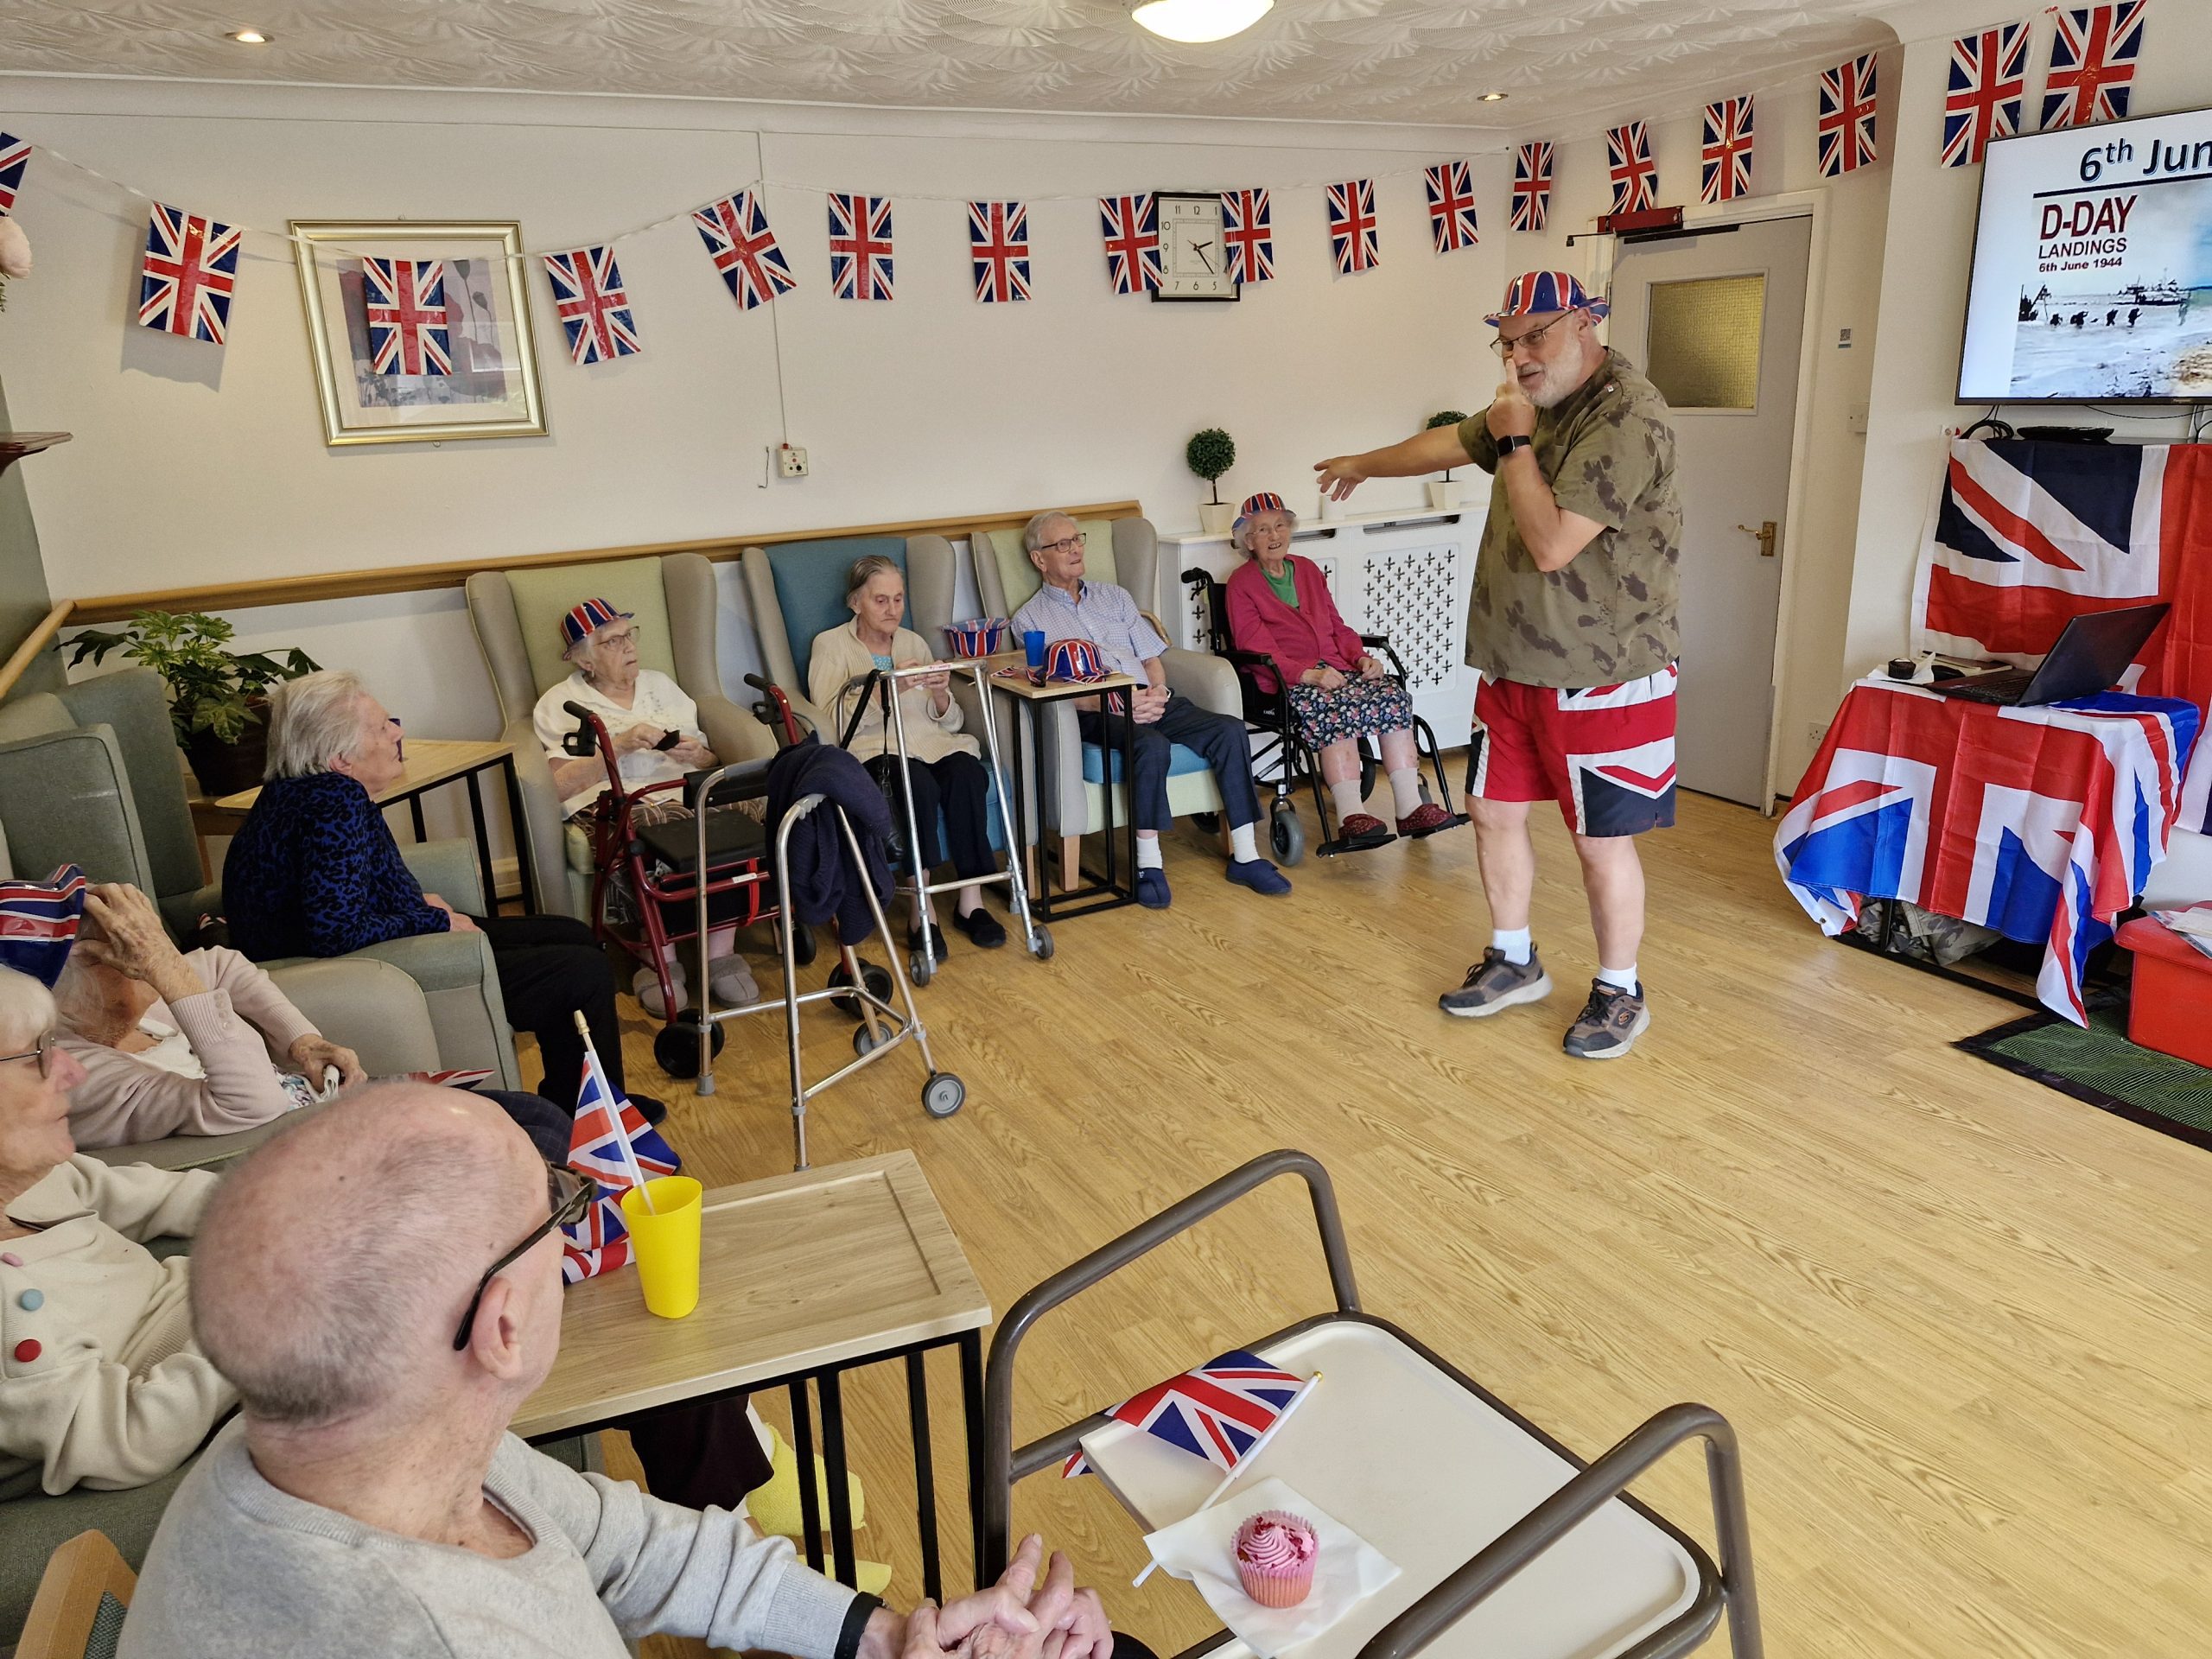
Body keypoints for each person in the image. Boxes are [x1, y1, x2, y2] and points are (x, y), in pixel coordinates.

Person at [122, 1082, 1119, 1659]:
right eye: (558, 1211)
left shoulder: (366, 1445)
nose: (575, 1233)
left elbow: (632, 1546)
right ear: (501, 1328)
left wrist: (885, 1640)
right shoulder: (429, 1635)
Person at [1315, 270, 1682, 1059]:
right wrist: (1364, 462)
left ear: (1584, 324)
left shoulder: (1626, 416)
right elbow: (1455, 440)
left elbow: (1553, 544)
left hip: (1604, 671)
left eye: (1534, 336)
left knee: (1599, 842)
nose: (1518, 355)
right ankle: (1515, 958)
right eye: (1507, 340)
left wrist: (1514, 438)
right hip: (1516, 665)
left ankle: (1622, 990)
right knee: (1492, 812)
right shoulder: (1533, 401)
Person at [221, 670, 664, 1122]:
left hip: (357, 944)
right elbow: (332, 931)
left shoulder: (301, 792)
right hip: (339, 968)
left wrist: (418, 902)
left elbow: (337, 888)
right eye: (381, 727)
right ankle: (598, 1118)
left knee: (570, 933)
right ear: (341, 758)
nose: (398, 731)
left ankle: (583, 1101)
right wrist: (429, 921)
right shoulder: (335, 801)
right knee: (580, 969)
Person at [47, 878, 580, 1163]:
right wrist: (168, 974)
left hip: (327, 1110)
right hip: (294, 1153)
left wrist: (302, 1039)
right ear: (86, 974)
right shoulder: (83, 1073)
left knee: (535, 1114)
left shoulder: (126, 1010)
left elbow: (221, 963)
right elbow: (252, 1105)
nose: (157, 965)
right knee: (527, 1145)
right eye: (135, 956)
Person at [0, 964, 237, 1495]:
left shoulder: (31, 1181)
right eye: (38, 1054)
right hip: (240, 1369)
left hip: (231, 1307)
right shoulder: (9, 1320)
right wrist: (259, 1325)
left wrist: (289, 1209)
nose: (72, 1072)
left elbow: (157, 1196)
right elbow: (129, 1441)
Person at [1010, 511, 1290, 908]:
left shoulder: (1116, 597)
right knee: (1150, 745)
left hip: (1147, 697)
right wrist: (1110, 702)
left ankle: (1245, 855)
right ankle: (1148, 866)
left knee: (1228, 729)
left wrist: (1157, 691)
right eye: (1062, 544)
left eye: (1077, 539)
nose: (1075, 549)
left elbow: (1151, 657)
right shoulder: (1030, 619)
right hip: (1093, 711)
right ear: (1039, 559)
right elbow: (1047, 688)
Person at [531, 597, 760, 1017]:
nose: (629, 647)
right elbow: (557, 786)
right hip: (616, 801)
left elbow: (709, 757)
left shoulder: (661, 685)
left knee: (730, 818)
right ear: (585, 660)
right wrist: (614, 749)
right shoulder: (560, 703)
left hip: (680, 789)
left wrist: (699, 756)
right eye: (612, 642)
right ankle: (659, 960)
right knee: (651, 828)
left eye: (628, 636)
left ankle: (720, 953)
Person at [1224, 492, 1457, 844]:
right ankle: (1351, 815)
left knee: (1392, 696)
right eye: (1262, 530)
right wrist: (1307, 674)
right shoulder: (1243, 583)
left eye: (1280, 526)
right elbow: (1253, 643)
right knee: (1333, 707)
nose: (1274, 536)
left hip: (1336, 668)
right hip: (1287, 680)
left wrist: (1360, 658)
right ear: (1247, 540)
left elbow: (1336, 626)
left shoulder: (1307, 569)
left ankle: (1410, 808)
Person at [810, 555, 1006, 955]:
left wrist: (938, 692)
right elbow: (830, 722)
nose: (892, 610)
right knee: (915, 785)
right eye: (881, 600)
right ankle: (924, 906)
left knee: (969, 773)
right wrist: (890, 689)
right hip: (875, 750)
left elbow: (948, 723)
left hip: (930, 743)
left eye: (898, 599)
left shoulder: (913, 641)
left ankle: (971, 901)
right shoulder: (830, 645)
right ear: (855, 603)